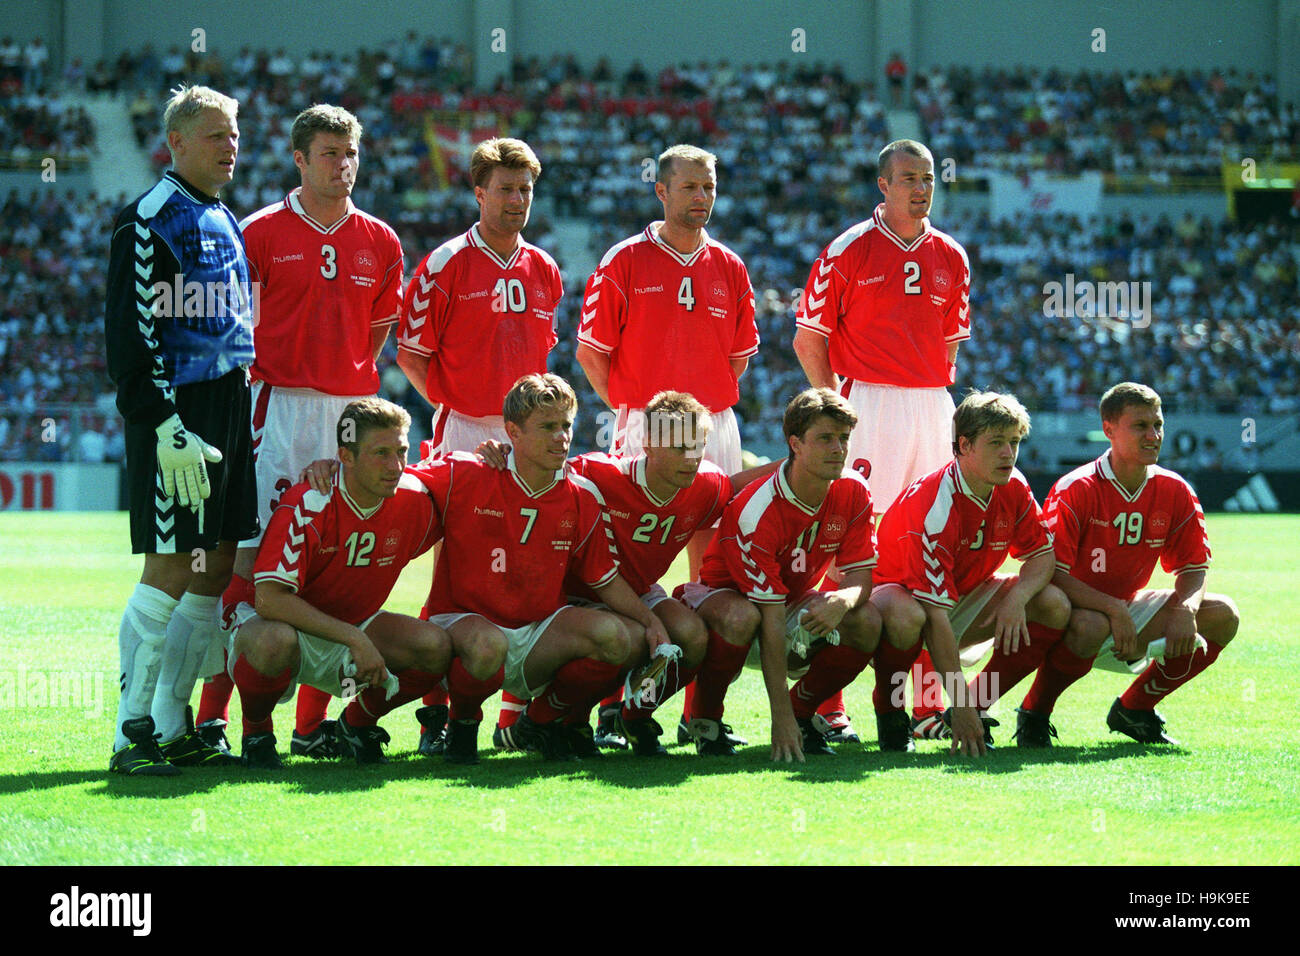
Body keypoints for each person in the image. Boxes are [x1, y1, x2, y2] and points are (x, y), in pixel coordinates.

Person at [198, 103, 405, 761]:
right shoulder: (257, 233)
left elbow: (375, 334)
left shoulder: (381, 240)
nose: (341, 165)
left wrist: (344, 394)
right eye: (327, 154)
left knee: (335, 562)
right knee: (250, 557)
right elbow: (233, 328)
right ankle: (212, 718)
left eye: (350, 154)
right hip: (276, 408)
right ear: (299, 159)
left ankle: (314, 728)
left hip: (349, 408)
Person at [477, 390, 779, 755]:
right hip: (573, 596)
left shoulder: (705, 484)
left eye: (697, 445)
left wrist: (795, 463)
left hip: (637, 590)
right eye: (679, 446)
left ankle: (634, 716)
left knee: (691, 636)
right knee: (626, 639)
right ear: (648, 445)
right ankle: (554, 720)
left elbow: (732, 486)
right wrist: (499, 451)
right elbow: (540, 468)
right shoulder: (599, 473)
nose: (692, 457)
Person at [793, 138, 971, 743]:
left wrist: (931, 396)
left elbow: (950, 344)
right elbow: (807, 340)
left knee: (926, 550)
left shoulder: (953, 255)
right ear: (883, 186)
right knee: (846, 543)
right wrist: (839, 410)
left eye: (927, 178)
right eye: (907, 178)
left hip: (931, 404)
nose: (920, 188)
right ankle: (827, 703)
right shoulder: (847, 249)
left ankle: (920, 704)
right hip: (866, 400)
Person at [104, 85, 256, 775]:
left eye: (235, 135)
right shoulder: (148, 220)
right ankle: (126, 733)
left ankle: (172, 721)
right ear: (179, 143)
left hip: (227, 403)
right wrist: (164, 424)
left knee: (215, 566)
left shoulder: (223, 216)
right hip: (176, 412)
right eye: (218, 135)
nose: (231, 146)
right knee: (168, 566)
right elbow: (131, 340)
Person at [395, 137, 562, 755]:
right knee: (455, 571)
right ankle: (436, 712)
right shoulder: (445, 263)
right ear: (479, 193)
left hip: (532, 435)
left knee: (533, 565)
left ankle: (517, 711)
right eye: (505, 189)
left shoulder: (545, 267)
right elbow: (411, 354)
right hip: (465, 429)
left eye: (525, 189)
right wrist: (459, 408)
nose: (517, 200)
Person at [408, 373, 669, 763]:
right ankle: (461, 725)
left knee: (619, 638)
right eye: (547, 427)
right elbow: (396, 482)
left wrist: (650, 621)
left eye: (566, 426)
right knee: (487, 646)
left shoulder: (580, 495)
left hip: (537, 633)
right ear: (512, 431)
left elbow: (606, 580)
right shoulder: (466, 471)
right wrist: (330, 470)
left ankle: (540, 721)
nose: (561, 437)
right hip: (466, 626)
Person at [228, 399, 449, 767]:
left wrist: (499, 454)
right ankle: (256, 733)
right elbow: (269, 600)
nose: (395, 466)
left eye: (402, 451)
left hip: (355, 623)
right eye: (381, 453)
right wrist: (354, 638)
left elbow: (463, 483)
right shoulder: (311, 501)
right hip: (285, 626)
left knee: (434, 647)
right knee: (271, 642)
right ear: (345, 457)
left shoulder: (414, 499)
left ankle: (355, 725)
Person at [1015, 383, 1239, 746]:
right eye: (1140, 426)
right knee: (1089, 624)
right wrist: (1112, 610)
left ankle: (1134, 709)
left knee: (1222, 614)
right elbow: (1053, 573)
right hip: (1070, 614)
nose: (1153, 435)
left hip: (1126, 610)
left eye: (1158, 424)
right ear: (1109, 429)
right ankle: (1035, 713)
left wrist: (1185, 609)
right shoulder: (1077, 486)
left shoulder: (1175, 489)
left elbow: (1194, 565)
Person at [576, 143, 758, 579]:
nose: (701, 196)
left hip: (715, 421)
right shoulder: (623, 260)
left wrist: (705, 404)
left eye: (709, 187)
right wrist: (632, 405)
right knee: (631, 544)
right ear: (661, 190)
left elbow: (738, 359)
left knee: (714, 549)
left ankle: (705, 633)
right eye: (689, 186)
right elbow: (590, 353)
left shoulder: (730, 265)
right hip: (646, 423)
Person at [679, 388, 882, 762]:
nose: (838, 448)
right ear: (795, 444)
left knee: (867, 618)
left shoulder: (854, 490)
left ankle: (804, 713)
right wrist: (778, 719)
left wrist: (843, 599)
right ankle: (704, 719)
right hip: (723, 609)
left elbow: (861, 577)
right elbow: (768, 617)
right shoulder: (759, 509)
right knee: (743, 616)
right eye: (825, 438)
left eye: (843, 439)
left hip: (784, 604)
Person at [868, 392, 1069, 757]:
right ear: (964, 446)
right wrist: (956, 701)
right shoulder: (935, 505)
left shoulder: (1014, 485)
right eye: (996, 443)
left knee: (1051, 603)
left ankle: (978, 701)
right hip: (895, 601)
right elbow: (933, 614)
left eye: (1014, 442)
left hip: (957, 597)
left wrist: (1018, 598)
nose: (1008, 453)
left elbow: (1042, 555)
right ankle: (891, 712)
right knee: (907, 616)